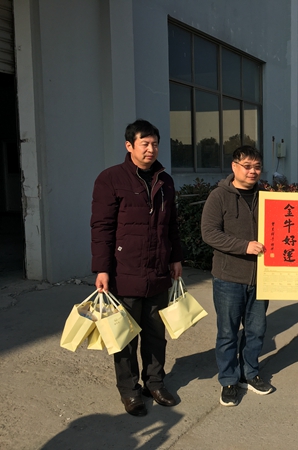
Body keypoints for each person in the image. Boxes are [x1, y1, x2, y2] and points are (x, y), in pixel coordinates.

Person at [91, 119, 183, 417]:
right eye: (144, 143)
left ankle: (154, 383)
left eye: (154, 143)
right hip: (124, 271)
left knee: (156, 334)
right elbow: (102, 227)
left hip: (158, 271)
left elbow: (171, 225)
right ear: (129, 145)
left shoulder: (165, 181)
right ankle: (129, 391)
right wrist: (102, 269)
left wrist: (176, 257)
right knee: (125, 337)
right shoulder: (111, 179)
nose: (150, 149)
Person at [201, 146, 274, 407]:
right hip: (228, 277)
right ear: (234, 167)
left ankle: (249, 373)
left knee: (256, 331)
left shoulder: (267, 197)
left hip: (262, 278)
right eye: (247, 166)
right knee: (227, 332)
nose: (253, 171)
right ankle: (229, 379)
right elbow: (209, 233)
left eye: (257, 167)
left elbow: (288, 222)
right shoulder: (219, 196)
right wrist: (244, 246)